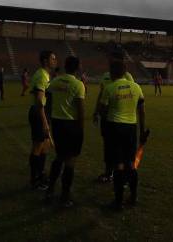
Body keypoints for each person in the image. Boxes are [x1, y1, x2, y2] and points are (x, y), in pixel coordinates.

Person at [98, 58, 147, 210]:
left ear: (112, 73)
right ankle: (133, 197)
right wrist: (142, 130)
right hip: (131, 128)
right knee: (131, 163)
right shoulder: (136, 87)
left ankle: (118, 202)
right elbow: (142, 111)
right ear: (125, 72)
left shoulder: (110, 88)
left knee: (118, 164)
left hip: (115, 127)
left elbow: (102, 110)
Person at [45, 56, 85, 207]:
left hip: (57, 123)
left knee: (59, 157)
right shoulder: (78, 84)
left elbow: (48, 104)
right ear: (77, 68)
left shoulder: (54, 82)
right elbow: (80, 110)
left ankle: (50, 189)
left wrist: (49, 121)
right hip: (72, 125)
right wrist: (81, 130)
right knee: (70, 161)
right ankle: (64, 196)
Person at [93, 47, 135, 183]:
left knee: (122, 148)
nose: (108, 60)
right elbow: (101, 94)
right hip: (106, 118)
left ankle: (122, 175)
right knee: (108, 145)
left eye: (111, 58)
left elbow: (131, 96)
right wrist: (96, 111)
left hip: (121, 119)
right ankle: (108, 173)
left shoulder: (127, 76)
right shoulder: (106, 76)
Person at [28, 50, 57, 190]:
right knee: (37, 147)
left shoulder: (45, 75)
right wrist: (45, 123)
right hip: (39, 114)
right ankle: (35, 179)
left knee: (45, 146)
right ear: (45, 60)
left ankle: (40, 174)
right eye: (53, 58)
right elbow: (40, 101)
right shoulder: (41, 75)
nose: (55, 61)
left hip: (43, 113)